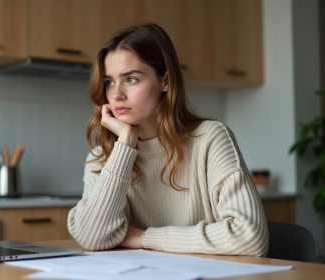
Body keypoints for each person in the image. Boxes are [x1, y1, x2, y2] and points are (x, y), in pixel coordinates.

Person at [67, 23, 268, 256]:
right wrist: (125, 145)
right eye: (109, 81)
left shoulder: (210, 138)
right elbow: (91, 238)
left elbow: (250, 238)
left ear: (165, 81)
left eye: (131, 79)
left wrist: (143, 237)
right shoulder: (103, 157)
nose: (116, 94)